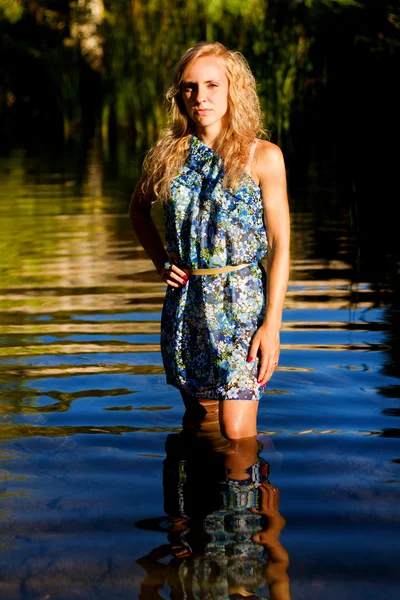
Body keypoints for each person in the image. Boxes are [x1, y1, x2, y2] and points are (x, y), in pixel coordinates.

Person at [129, 41, 290, 440]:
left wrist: (273, 325)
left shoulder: (263, 156)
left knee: (236, 437)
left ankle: (254, 501)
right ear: (180, 95)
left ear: (233, 88)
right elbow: (137, 210)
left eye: (212, 85)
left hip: (242, 306)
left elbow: (282, 244)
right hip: (187, 305)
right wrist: (161, 263)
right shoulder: (168, 156)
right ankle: (195, 499)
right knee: (201, 423)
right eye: (190, 87)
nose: (201, 97)